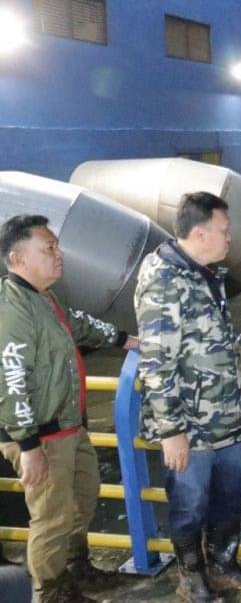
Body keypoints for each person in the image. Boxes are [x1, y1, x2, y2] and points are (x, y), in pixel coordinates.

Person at [135, 193, 241, 603]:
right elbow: (156, 363)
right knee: (189, 506)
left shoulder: (204, 272)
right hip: (190, 427)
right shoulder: (164, 279)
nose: (230, 238)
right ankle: (192, 578)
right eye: (224, 231)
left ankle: (223, 565)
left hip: (225, 418)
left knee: (232, 496)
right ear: (199, 232)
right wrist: (171, 431)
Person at [0, 214, 137, 602]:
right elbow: (10, 381)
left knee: (84, 496)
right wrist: (28, 448)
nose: (59, 255)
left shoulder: (43, 297)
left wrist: (123, 338)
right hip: (39, 436)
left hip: (67, 427)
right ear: (18, 258)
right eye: (48, 248)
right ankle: (50, 591)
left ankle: (76, 569)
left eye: (57, 246)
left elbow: (75, 324)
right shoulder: (12, 310)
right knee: (51, 518)